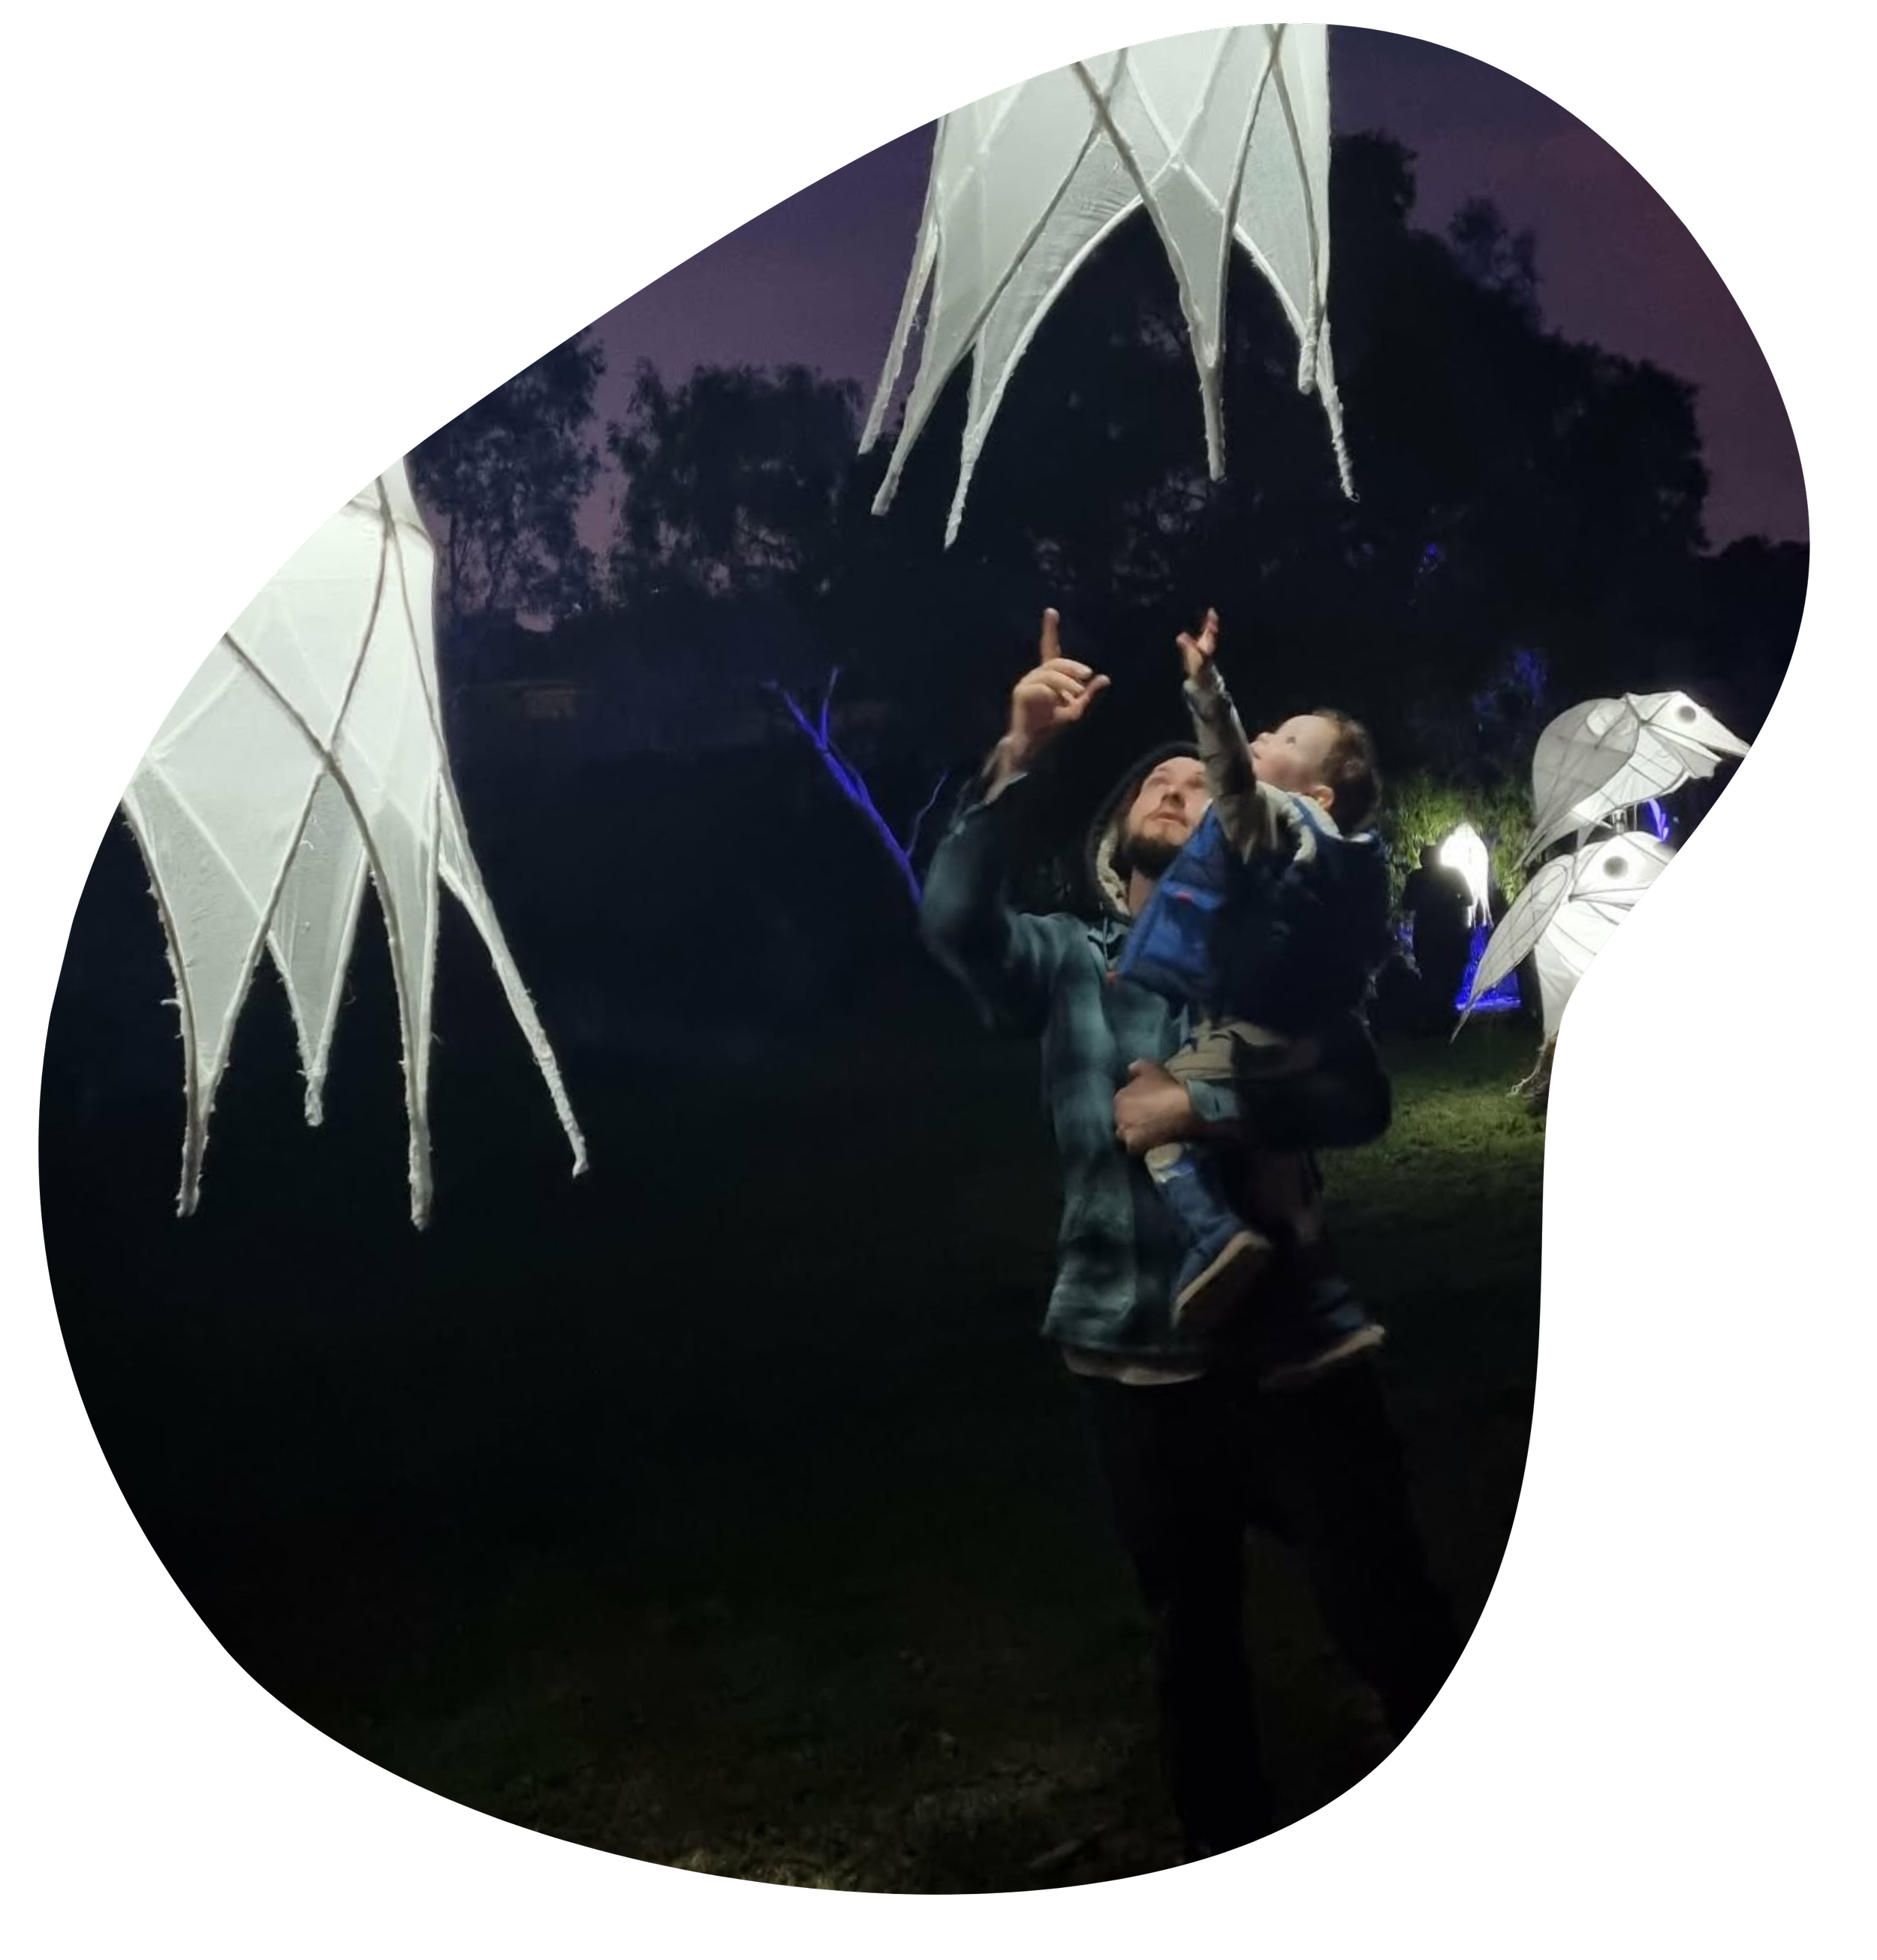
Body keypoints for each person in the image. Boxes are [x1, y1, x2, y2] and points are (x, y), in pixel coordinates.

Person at [919, 609, 1465, 1862]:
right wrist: (1020, 750)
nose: (1177, 779)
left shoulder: (1270, 967)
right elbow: (953, 922)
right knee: (1191, 1643)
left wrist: (1199, 1105)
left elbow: (1360, 1096)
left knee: (1386, 1609)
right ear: (1114, 851)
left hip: (1299, 1356)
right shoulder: (1065, 961)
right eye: (1152, 781)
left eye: (1194, 774)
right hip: (1135, 1361)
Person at [1111, 607, 1393, 1333]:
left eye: (1287, 738)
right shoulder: (1352, 859)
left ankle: (1215, 1235)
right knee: (1278, 1166)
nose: (1264, 736)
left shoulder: (1280, 824)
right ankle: (1326, 1302)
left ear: (1319, 794)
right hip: (1310, 1032)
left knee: (1152, 1106)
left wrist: (1209, 692)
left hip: (1255, 1032)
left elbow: (1232, 781)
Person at [1399, 845, 1473, 1030]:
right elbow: (1407, 904)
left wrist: (1442, 901)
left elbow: (1468, 899)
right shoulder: (1419, 878)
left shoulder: (1445, 875)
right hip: (1437, 933)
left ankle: (1443, 1014)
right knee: (1437, 974)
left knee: (1447, 974)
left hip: (1444, 932)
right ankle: (1439, 1015)